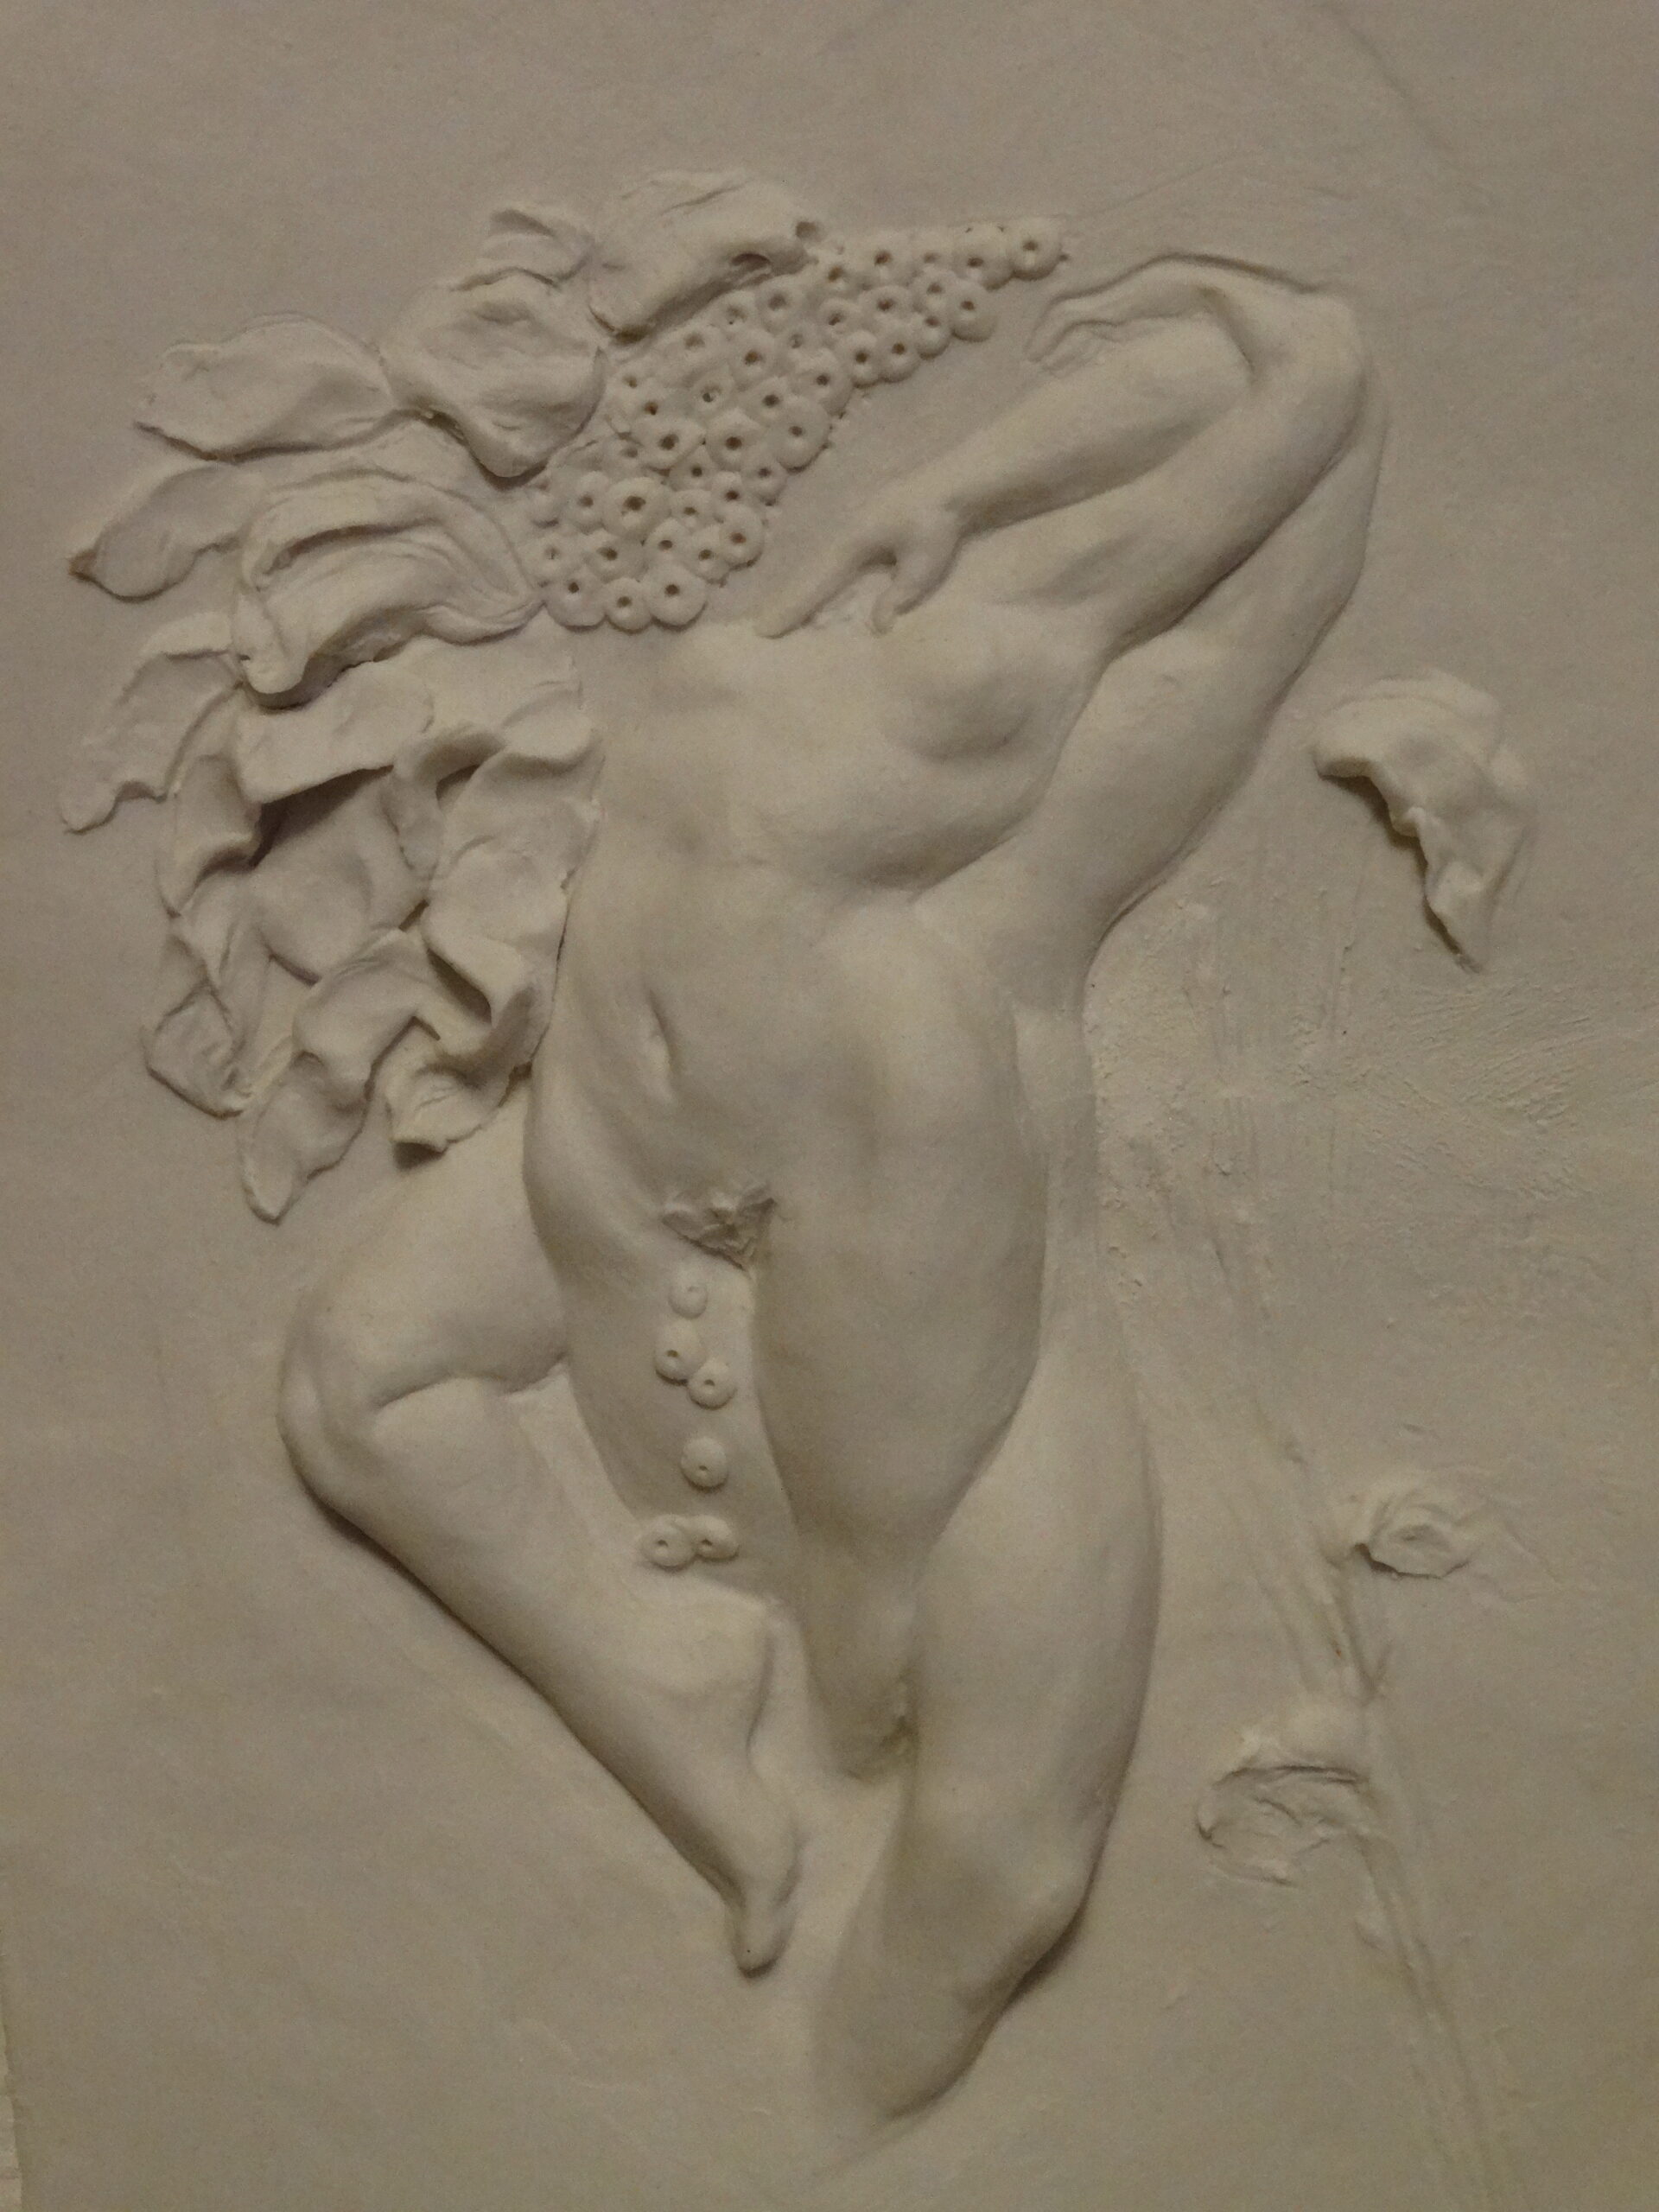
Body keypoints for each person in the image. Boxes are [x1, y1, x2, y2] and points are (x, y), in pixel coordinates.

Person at [276, 257, 1383, 2128]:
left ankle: (824, 2133)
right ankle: (668, 1715)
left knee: (998, 1858)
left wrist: (1250, 394)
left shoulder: (1057, 730)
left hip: (879, 1245)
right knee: (352, 1388)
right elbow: (1230, 415)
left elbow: (1285, 431)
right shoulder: (900, 631)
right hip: (615, 1173)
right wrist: (968, 483)